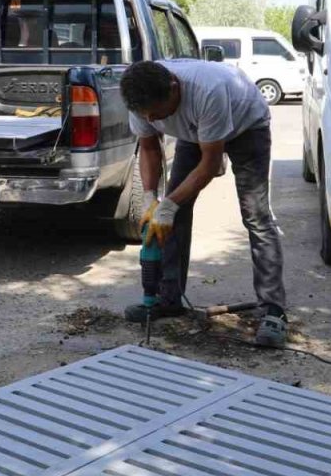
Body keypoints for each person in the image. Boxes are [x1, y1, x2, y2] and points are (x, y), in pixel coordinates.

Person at [120, 59, 288, 347]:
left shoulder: (209, 90)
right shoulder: (141, 96)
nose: (150, 120)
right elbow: (148, 147)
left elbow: (210, 164)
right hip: (195, 131)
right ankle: (169, 298)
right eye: (145, 115)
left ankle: (273, 310)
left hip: (247, 126)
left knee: (255, 216)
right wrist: (152, 199)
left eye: (157, 114)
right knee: (172, 214)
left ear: (174, 87)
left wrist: (169, 204)